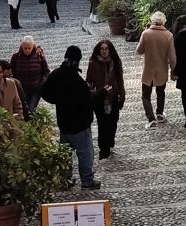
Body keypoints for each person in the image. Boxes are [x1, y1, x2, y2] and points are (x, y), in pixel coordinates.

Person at [41, 45, 102, 190]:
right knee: (85, 153)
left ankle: (65, 181)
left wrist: (57, 100)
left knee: (65, 154)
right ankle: (87, 181)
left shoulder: (56, 74)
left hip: (64, 122)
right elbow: (88, 101)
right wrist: (100, 94)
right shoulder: (77, 80)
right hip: (80, 124)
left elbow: (44, 92)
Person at [86, 39, 126, 159]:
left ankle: (110, 140)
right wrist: (95, 92)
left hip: (113, 98)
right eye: (102, 49)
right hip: (99, 99)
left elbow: (120, 80)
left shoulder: (115, 62)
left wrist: (122, 95)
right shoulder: (93, 63)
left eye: (106, 49)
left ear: (110, 50)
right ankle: (104, 150)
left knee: (113, 122)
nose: (104, 51)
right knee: (102, 124)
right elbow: (89, 81)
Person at [136, 11, 175, 127]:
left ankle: (151, 119)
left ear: (152, 21)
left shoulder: (146, 34)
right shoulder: (168, 35)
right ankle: (159, 114)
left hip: (148, 70)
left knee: (145, 95)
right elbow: (172, 57)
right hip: (162, 69)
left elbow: (139, 50)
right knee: (161, 92)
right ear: (164, 22)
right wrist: (173, 71)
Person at [10, 37, 50, 115]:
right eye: (25, 48)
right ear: (22, 46)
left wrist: (41, 84)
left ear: (33, 46)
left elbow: (46, 71)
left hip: (35, 89)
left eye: (29, 48)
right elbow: (11, 72)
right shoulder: (16, 57)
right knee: (23, 111)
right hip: (21, 90)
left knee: (31, 110)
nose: (27, 50)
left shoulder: (39, 56)